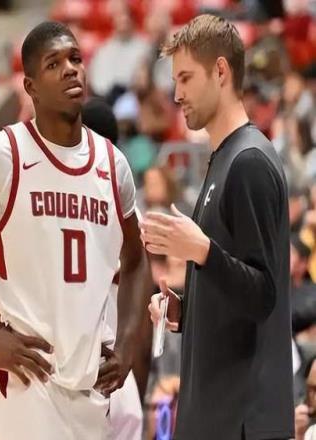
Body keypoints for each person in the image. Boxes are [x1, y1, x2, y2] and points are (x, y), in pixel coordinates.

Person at [0, 21, 150, 440]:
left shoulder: (113, 165)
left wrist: (128, 344)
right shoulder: (0, 156)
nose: (70, 68)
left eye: (75, 58)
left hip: (92, 392)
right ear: (31, 86)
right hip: (28, 391)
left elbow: (136, 260)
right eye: (54, 63)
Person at [141, 14, 294, 440]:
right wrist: (187, 311)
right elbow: (235, 289)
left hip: (243, 421)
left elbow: (263, 295)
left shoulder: (248, 162)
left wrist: (202, 251)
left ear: (221, 71)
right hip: (216, 417)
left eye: (186, 78)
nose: (177, 94)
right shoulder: (224, 158)